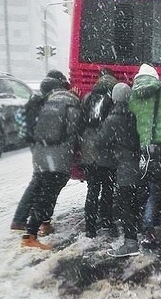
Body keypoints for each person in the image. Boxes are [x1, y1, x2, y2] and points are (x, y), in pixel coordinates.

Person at [21, 71, 81, 251]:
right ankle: (29, 235)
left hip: (45, 156)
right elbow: (75, 128)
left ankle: (42, 224)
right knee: (47, 194)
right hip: (57, 159)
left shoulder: (49, 104)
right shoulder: (69, 106)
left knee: (47, 191)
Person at [128, 63, 161, 256]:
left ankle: (147, 234)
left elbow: (133, 111)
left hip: (148, 150)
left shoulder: (134, 98)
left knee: (152, 194)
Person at [96, 81, 141, 257]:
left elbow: (100, 141)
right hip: (141, 164)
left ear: (114, 98)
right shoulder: (135, 114)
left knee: (126, 205)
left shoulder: (113, 118)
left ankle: (131, 244)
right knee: (135, 202)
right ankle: (139, 235)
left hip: (125, 166)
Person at [78, 69, 117, 238]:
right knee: (108, 190)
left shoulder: (88, 98)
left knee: (92, 190)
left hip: (89, 150)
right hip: (106, 152)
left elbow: (81, 123)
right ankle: (107, 222)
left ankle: (90, 227)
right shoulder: (113, 99)